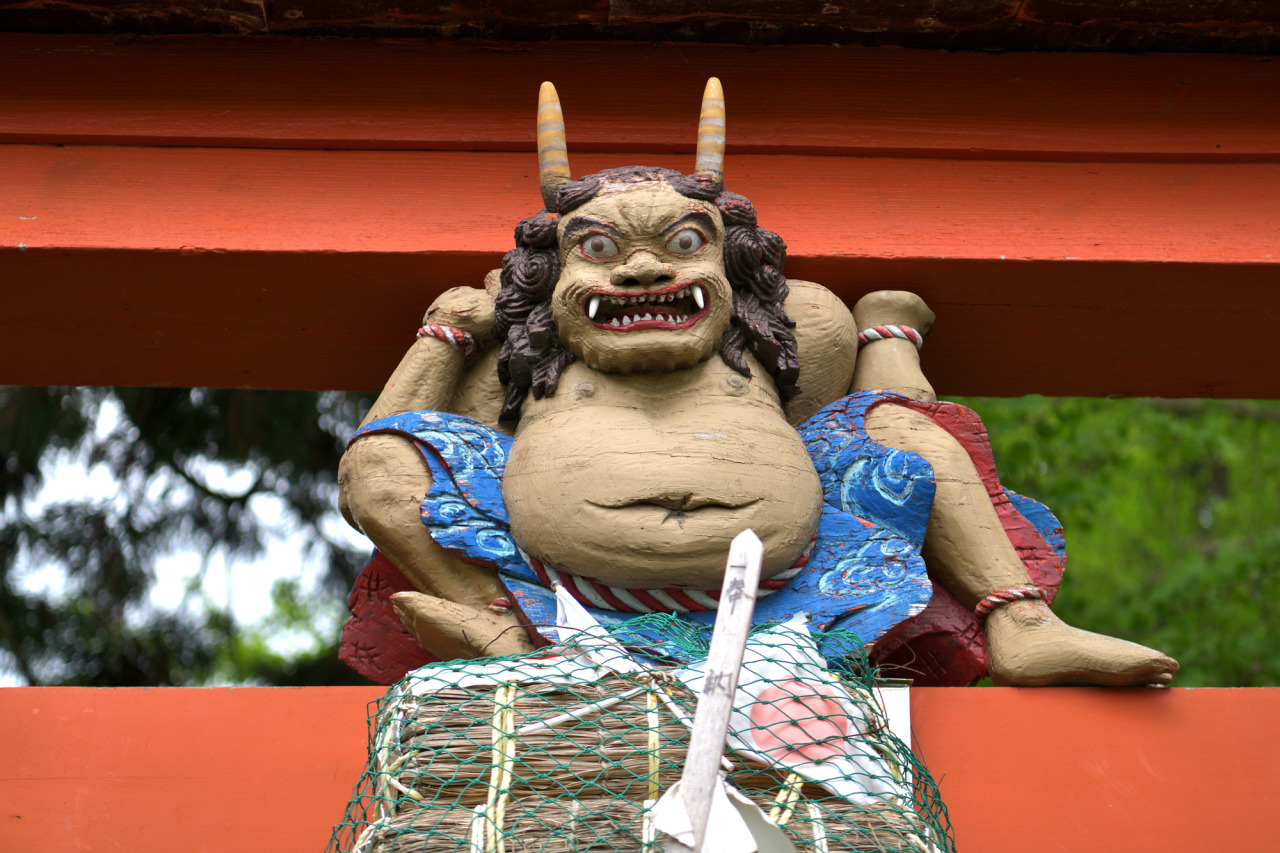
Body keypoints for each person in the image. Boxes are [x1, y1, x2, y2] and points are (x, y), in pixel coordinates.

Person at [338, 80, 1178, 687]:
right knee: (378, 462)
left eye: (680, 243)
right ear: (546, 280)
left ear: (733, 267)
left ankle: (1021, 622)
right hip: (555, 594)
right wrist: (444, 335)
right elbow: (383, 454)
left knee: (895, 424)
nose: (639, 269)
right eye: (596, 251)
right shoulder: (527, 360)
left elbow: (851, 420)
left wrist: (880, 343)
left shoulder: (785, 335)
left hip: (794, 585)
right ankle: (494, 625)